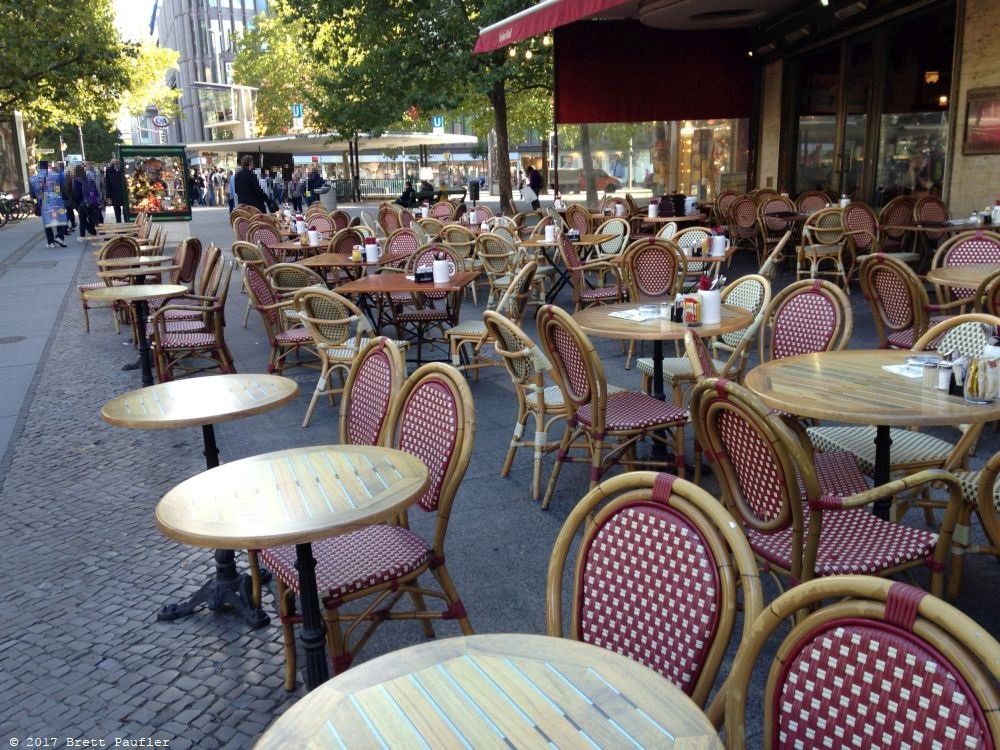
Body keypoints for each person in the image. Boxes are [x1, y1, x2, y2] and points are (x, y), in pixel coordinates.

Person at [29, 160, 68, 247]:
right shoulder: (56, 175)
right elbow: (63, 188)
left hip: (44, 201)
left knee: (47, 222)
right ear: (48, 166)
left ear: (38, 167)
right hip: (57, 200)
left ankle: (50, 242)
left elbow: (32, 194)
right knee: (60, 219)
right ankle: (60, 238)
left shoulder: (34, 179)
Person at [73, 164, 102, 241]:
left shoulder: (76, 180)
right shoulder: (89, 177)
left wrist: (77, 203)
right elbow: (96, 188)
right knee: (94, 219)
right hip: (92, 202)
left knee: (82, 220)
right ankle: (100, 234)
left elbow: (77, 193)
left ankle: (83, 236)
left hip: (83, 203)